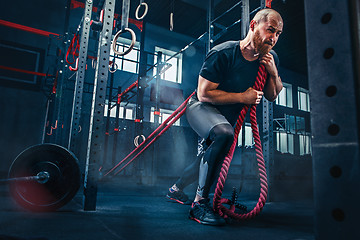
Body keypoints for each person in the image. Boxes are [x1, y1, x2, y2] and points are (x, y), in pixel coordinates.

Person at [166, 8, 283, 225]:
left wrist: (274, 74)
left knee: (209, 156)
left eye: (278, 34)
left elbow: (272, 94)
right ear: (253, 26)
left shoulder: (270, 57)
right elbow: (204, 93)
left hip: (226, 115)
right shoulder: (224, 52)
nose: (274, 38)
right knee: (223, 134)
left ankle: (176, 189)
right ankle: (198, 205)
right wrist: (243, 96)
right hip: (201, 108)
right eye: (270, 30)